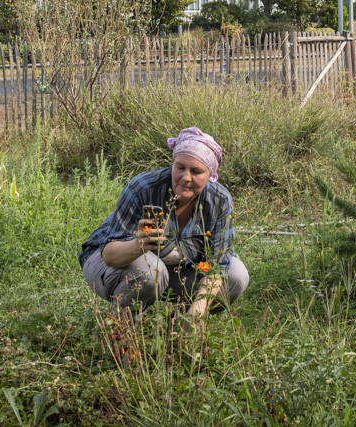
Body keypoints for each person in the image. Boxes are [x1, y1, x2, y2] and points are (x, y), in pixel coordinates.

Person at [80, 127, 248, 322]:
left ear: (210, 174)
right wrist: (138, 245)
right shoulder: (143, 187)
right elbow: (109, 256)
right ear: (172, 164)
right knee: (152, 271)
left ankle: (178, 324)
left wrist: (197, 311)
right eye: (180, 167)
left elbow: (218, 266)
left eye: (196, 171)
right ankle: (126, 330)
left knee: (236, 275)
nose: (185, 178)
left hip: (174, 269)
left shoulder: (219, 200)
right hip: (113, 262)